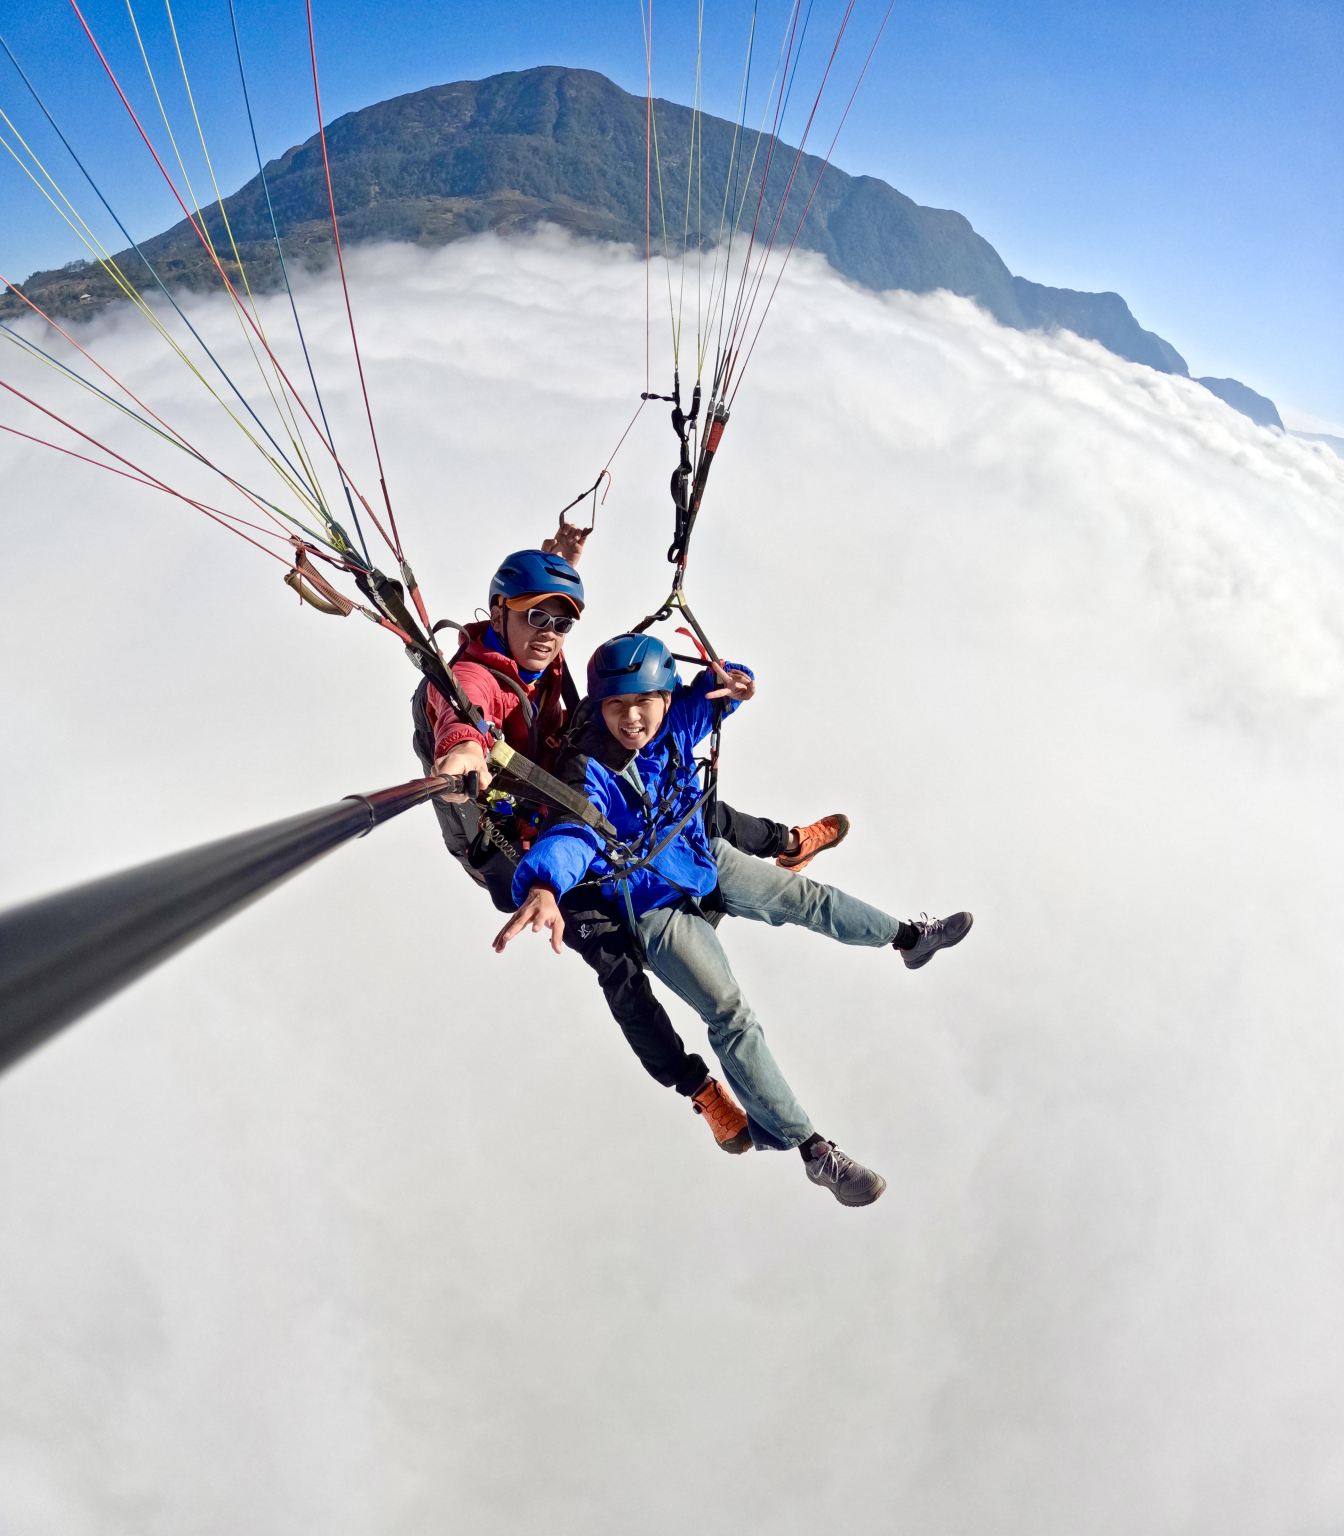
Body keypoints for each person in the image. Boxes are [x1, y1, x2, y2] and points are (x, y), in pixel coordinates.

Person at [494, 634, 973, 1207]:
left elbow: (716, 692)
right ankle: (813, 1150)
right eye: (615, 705)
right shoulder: (590, 767)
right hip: (651, 903)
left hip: (698, 857)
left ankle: (910, 938)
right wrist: (546, 884)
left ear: (664, 698)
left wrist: (737, 682)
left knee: (806, 898)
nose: (630, 718)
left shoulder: (673, 722)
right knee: (730, 1014)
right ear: (599, 706)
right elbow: (574, 831)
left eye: (643, 701)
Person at [411, 547, 850, 1153]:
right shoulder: (473, 678)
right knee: (617, 966)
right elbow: (463, 707)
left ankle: (791, 844)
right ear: (499, 611)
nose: (550, 633)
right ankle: (700, 1090)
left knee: (686, 807)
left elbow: (542, 620)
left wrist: (562, 553)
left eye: (563, 621)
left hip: (569, 788)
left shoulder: (533, 651)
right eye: (537, 617)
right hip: (521, 841)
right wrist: (463, 749)